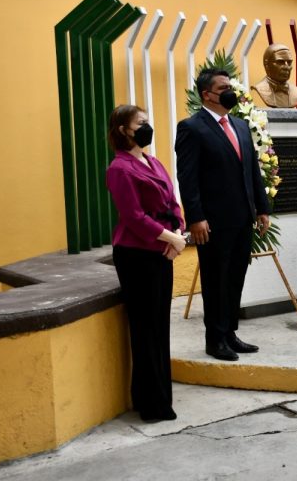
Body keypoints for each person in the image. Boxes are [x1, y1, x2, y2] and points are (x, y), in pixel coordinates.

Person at [176, 68, 271, 361]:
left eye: (231, 86)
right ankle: (214, 339)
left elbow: (252, 170)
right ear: (207, 94)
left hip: (243, 218)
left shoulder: (241, 126)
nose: (231, 92)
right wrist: (195, 217)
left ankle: (230, 332)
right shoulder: (192, 127)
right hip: (213, 222)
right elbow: (187, 177)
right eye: (223, 87)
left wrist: (262, 208)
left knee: (235, 278)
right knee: (216, 280)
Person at [106, 104, 186, 422]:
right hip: (136, 255)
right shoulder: (120, 169)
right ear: (124, 130)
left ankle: (151, 396)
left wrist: (176, 234)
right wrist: (170, 238)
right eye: (140, 123)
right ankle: (152, 405)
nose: (146, 127)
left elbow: (171, 201)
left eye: (147, 122)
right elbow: (134, 217)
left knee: (159, 326)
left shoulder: (152, 161)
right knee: (145, 328)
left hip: (161, 252)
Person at [251, 43, 297, 108]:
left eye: (289, 62)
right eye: (280, 62)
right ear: (266, 64)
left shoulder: (296, 91)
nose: (287, 67)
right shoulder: (260, 88)